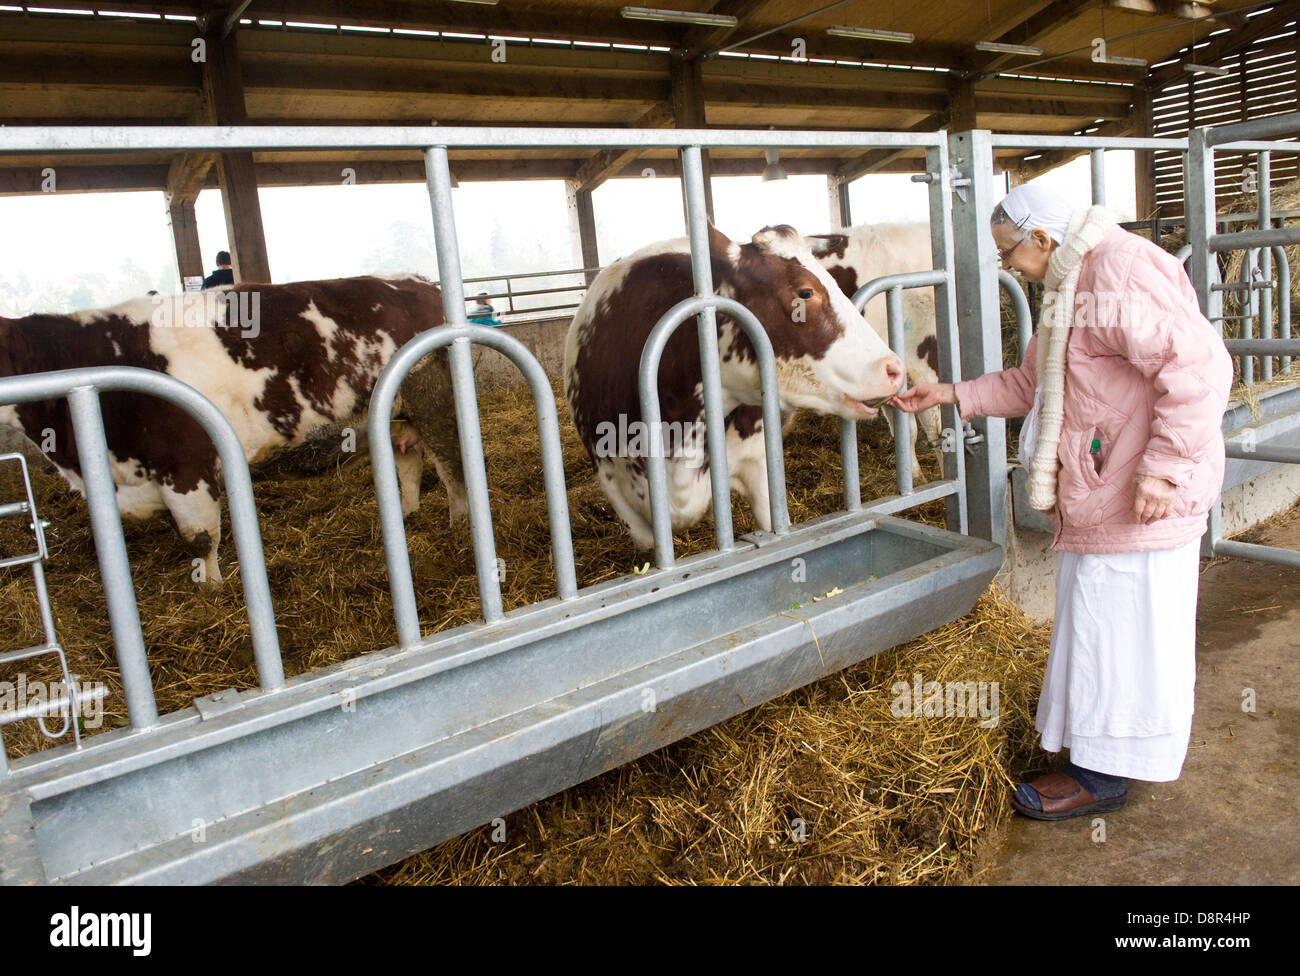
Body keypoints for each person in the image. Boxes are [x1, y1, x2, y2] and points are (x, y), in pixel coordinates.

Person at [890, 183, 1232, 820]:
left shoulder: (1121, 271)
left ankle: (1102, 777)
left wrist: (1163, 470)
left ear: (1043, 239)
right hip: (1105, 490)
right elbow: (1034, 382)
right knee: (1101, 628)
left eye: (1008, 252)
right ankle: (1097, 759)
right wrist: (950, 394)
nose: (1007, 266)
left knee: (1120, 632)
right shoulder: (1073, 279)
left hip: (1139, 493)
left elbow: (1201, 370)